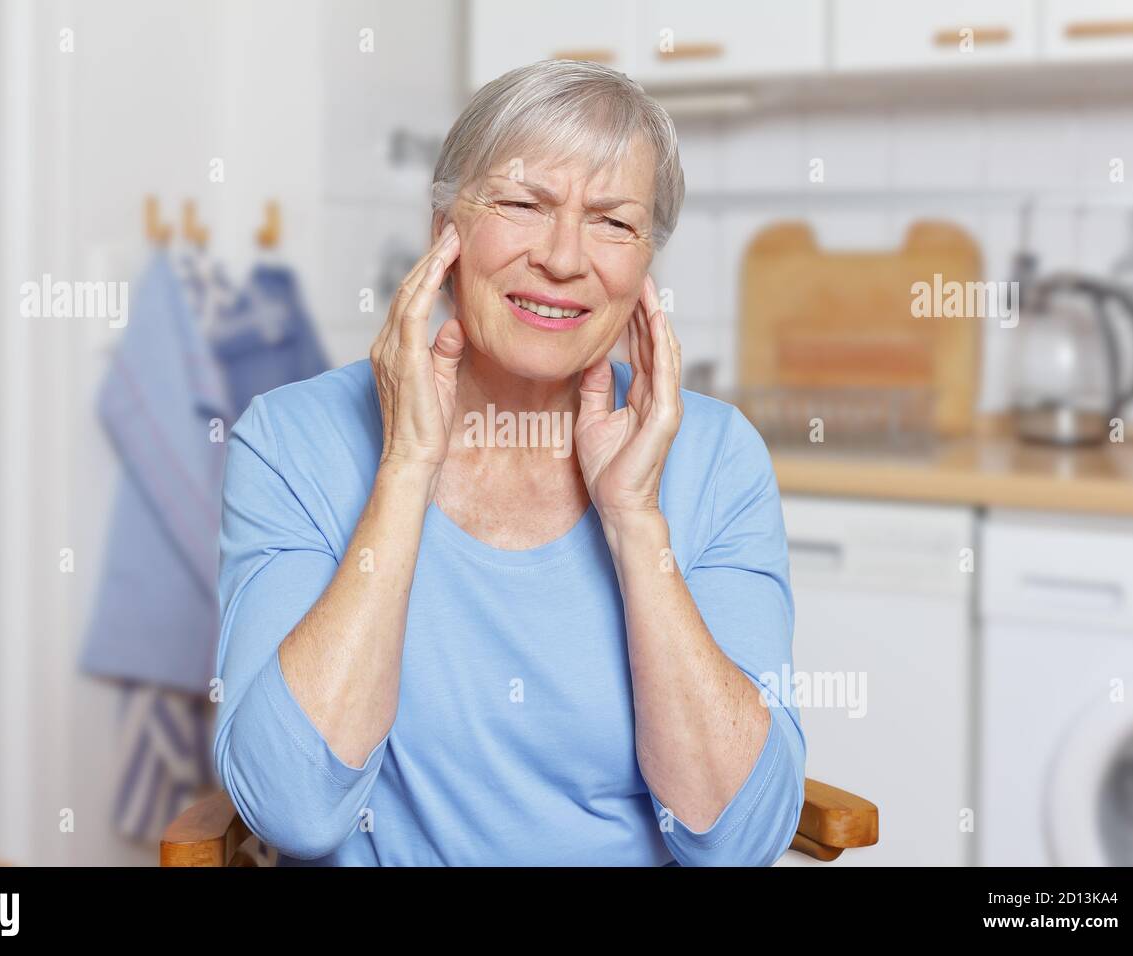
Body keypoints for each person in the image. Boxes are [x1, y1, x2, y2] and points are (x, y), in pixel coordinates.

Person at [213, 59, 805, 865]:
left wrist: (636, 522)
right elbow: (293, 809)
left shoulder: (716, 455)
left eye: (612, 222)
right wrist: (407, 466)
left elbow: (737, 840)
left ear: (645, 269)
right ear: (442, 231)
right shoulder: (292, 441)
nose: (563, 259)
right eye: (524, 204)